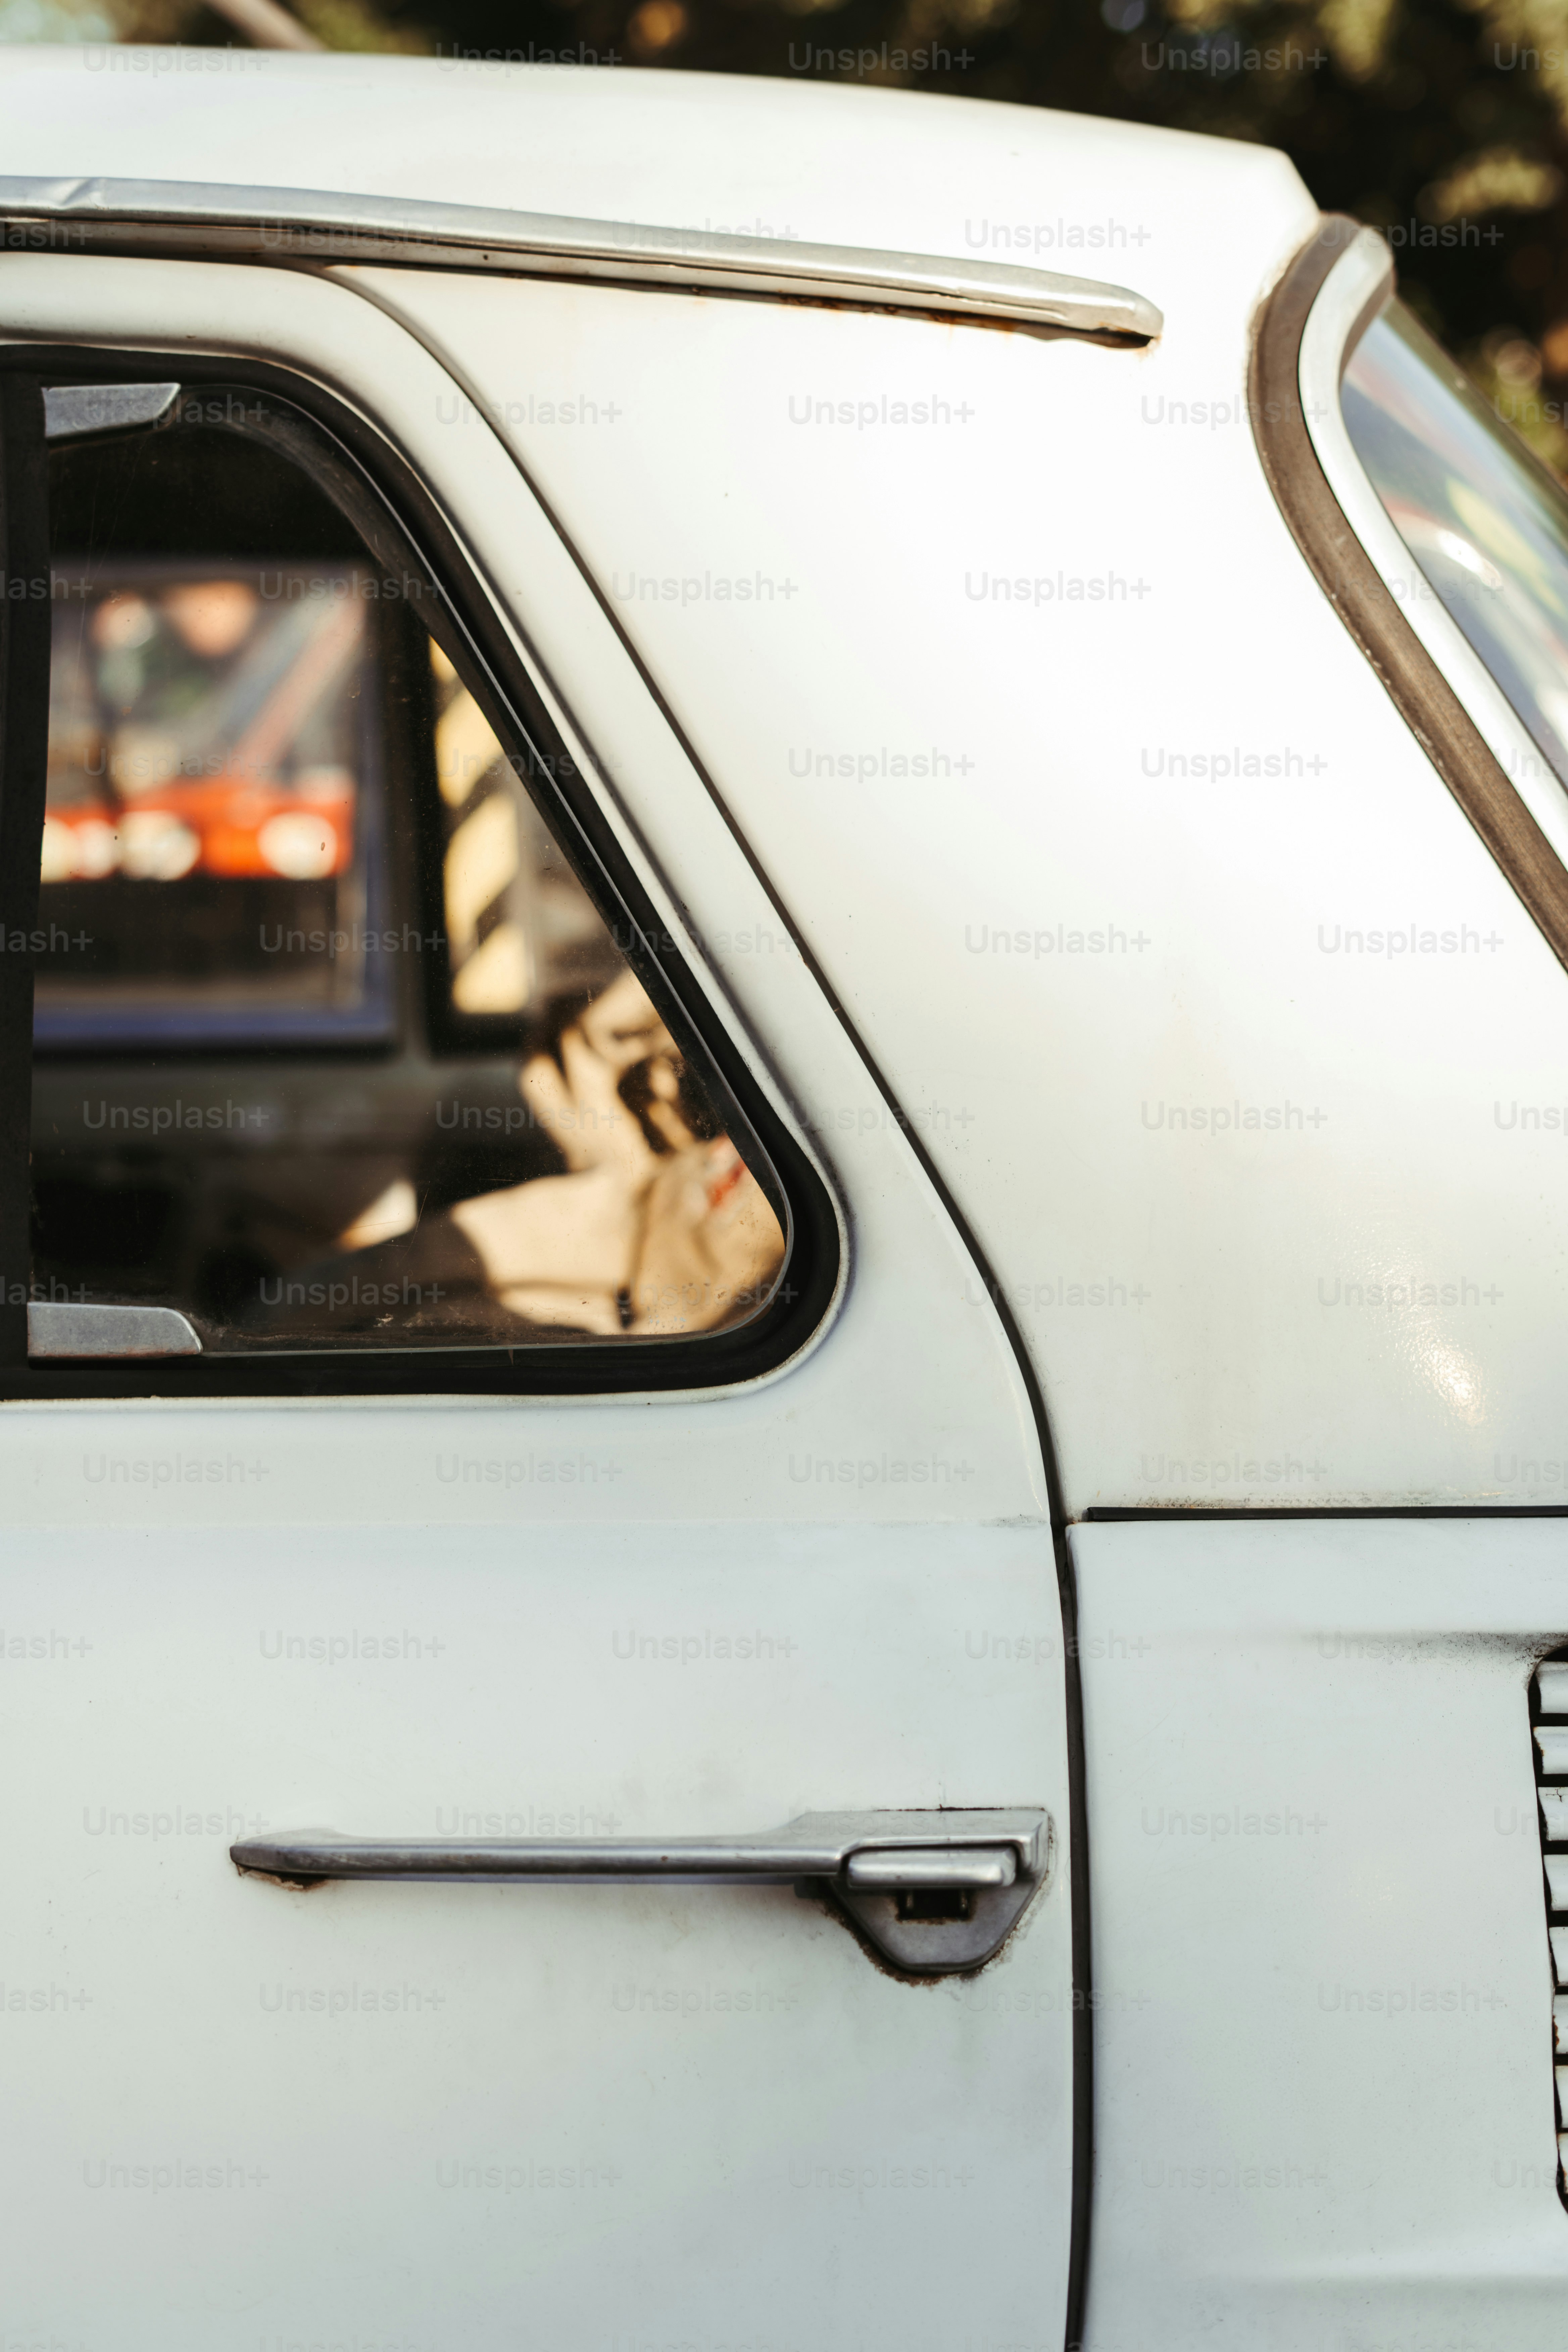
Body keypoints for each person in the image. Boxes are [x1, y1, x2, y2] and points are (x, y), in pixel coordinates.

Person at [247, 968, 785, 1345]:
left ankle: (257, 1338)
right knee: (418, 1273)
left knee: (427, 1285)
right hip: (650, 1192)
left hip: (651, 1237)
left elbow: (697, 1320)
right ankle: (262, 1331)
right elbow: (671, 979)